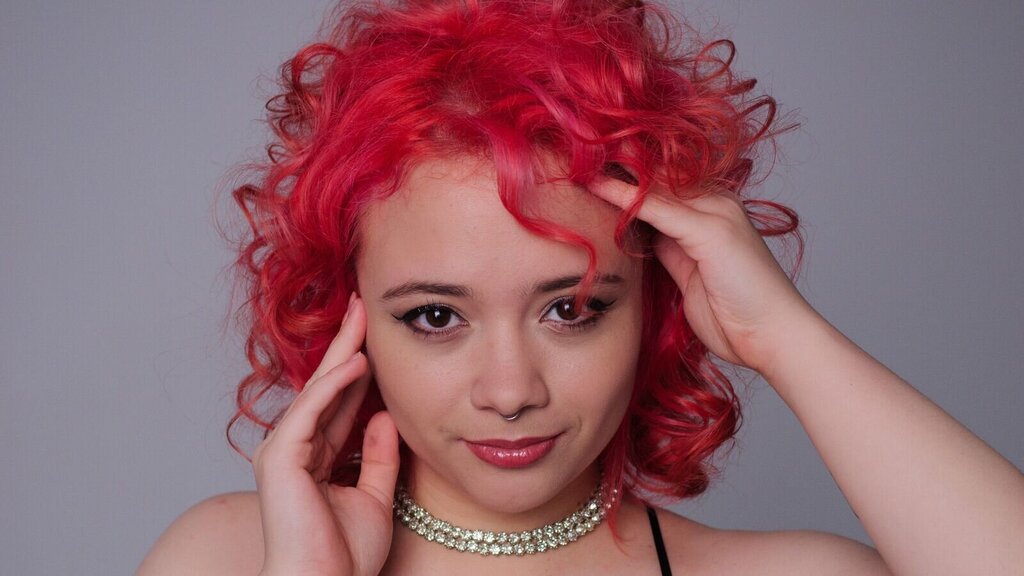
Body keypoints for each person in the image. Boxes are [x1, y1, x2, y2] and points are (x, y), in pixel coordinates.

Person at [137, 1, 1024, 574]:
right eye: (437, 316)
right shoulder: (229, 557)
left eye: (571, 309)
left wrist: (784, 338)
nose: (511, 391)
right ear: (348, 317)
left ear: (653, 302)